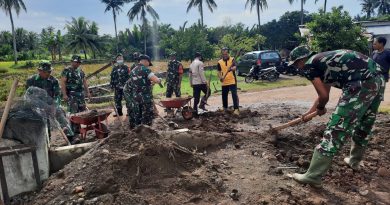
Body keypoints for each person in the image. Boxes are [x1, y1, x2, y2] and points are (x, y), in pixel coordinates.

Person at [288, 46, 385, 188]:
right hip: (378, 79)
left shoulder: (309, 65)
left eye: (296, 64)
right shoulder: (323, 60)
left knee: (336, 127)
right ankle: (354, 161)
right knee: (365, 122)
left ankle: (313, 175)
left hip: (359, 83)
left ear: (301, 59)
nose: (298, 68)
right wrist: (310, 113)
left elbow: (324, 97)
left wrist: (321, 107)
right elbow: (323, 92)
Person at [26, 61, 74, 141]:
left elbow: (57, 95)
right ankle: (45, 140)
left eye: (49, 71)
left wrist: (54, 106)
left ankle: (70, 136)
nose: (48, 73)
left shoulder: (53, 81)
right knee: (41, 122)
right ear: (40, 71)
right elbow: (29, 96)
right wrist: (40, 107)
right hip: (36, 106)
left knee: (60, 113)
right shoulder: (31, 81)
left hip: (51, 105)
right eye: (46, 72)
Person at [124, 55, 162, 128]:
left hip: (136, 98)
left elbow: (138, 83)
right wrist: (159, 80)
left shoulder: (132, 71)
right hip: (145, 98)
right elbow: (156, 80)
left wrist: (149, 83)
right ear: (146, 61)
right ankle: (147, 133)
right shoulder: (145, 70)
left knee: (138, 115)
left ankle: (138, 132)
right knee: (147, 116)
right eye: (148, 63)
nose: (148, 65)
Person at [217, 47, 240, 115]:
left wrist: (231, 69)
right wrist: (220, 77)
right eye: (223, 54)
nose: (225, 55)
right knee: (224, 95)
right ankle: (225, 108)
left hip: (232, 80)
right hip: (224, 81)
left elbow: (235, 67)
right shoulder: (219, 62)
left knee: (234, 95)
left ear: (228, 53)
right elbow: (218, 71)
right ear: (222, 54)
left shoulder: (232, 59)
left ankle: (236, 109)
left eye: (226, 54)